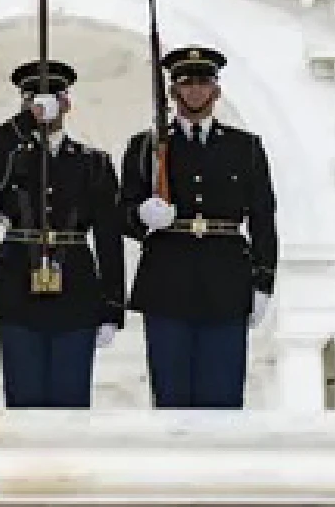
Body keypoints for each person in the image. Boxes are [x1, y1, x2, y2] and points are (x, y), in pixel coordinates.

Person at [121, 45, 277, 408]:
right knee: (171, 397)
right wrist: (142, 215)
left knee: (223, 398)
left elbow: (263, 217)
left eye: (203, 83)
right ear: (174, 91)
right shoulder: (145, 147)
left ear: (217, 90)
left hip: (227, 281)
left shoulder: (246, 148)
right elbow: (120, 212)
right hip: (166, 283)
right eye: (186, 83)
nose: (195, 91)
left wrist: (263, 280)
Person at [0, 60, 124, 408]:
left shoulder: (93, 162)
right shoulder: (9, 159)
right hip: (16, 288)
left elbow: (108, 237)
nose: (45, 105)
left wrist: (113, 307)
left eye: (53, 96)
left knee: (71, 403)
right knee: (23, 401)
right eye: (33, 99)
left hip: (77, 289)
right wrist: (28, 121)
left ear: (67, 102)